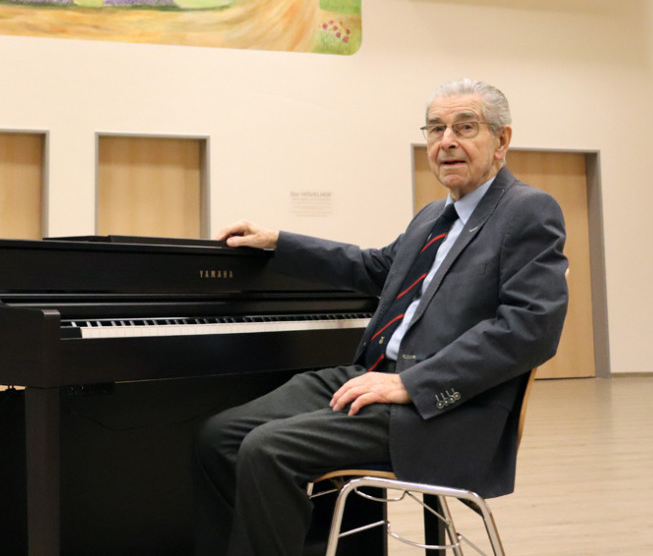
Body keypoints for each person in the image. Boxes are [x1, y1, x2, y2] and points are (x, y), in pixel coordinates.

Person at [197, 79, 569, 556]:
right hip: (372, 376)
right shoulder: (434, 215)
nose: (446, 141)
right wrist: (277, 242)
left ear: (501, 140)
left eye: (464, 127)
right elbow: (374, 267)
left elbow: (532, 328)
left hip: (442, 407)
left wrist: (412, 383)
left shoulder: (527, 211)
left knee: (268, 448)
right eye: (435, 129)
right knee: (219, 436)